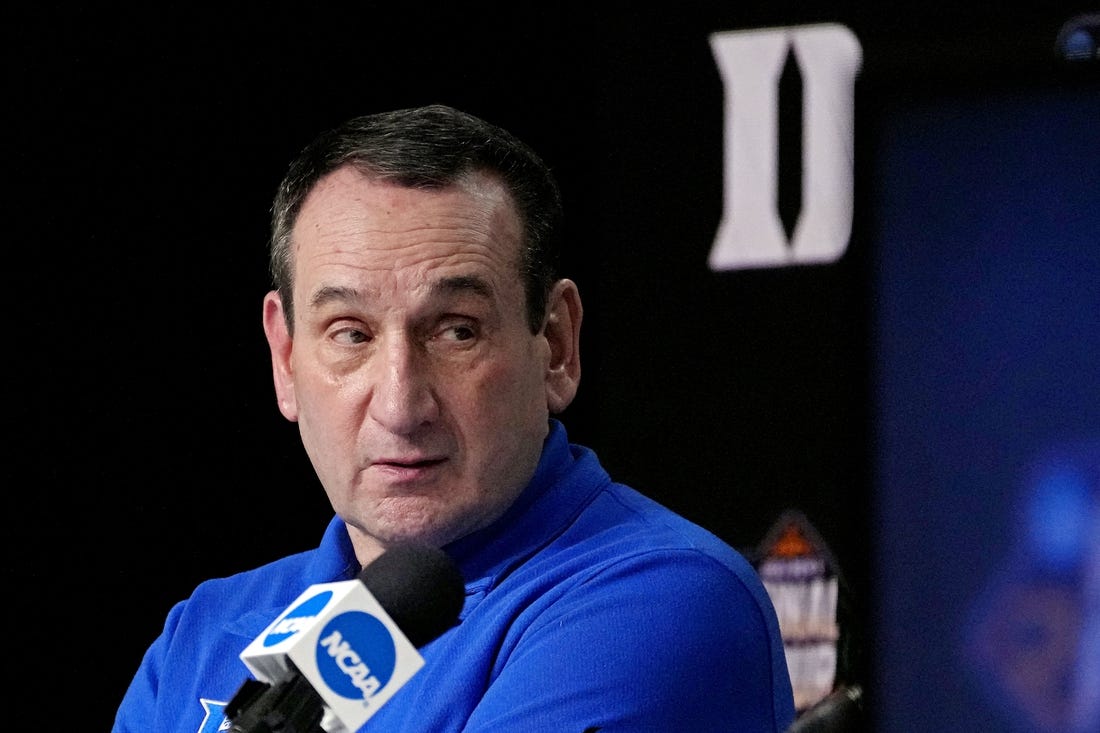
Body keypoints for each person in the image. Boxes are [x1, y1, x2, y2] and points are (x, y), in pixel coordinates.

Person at [112, 103, 795, 732]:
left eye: (455, 331)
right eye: (350, 333)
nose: (401, 403)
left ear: (556, 345)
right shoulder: (204, 634)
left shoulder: (660, 605)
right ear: (286, 359)